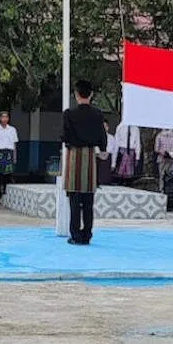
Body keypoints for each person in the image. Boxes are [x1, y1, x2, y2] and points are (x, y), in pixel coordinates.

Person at [61, 80, 107, 245]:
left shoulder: (68, 114)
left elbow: (65, 136)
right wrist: (102, 149)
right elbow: (102, 136)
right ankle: (87, 234)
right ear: (91, 94)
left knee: (74, 199)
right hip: (90, 155)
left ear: (76, 94)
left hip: (74, 155)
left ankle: (75, 235)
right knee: (88, 201)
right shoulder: (98, 114)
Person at [97, 120, 116, 187]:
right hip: (98, 158)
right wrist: (99, 154)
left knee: (106, 179)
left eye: (106, 126)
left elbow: (114, 151)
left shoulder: (112, 138)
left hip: (108, 160)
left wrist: (113, 164)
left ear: (108, 127)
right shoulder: (96, 137)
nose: (104, 128)